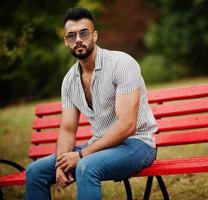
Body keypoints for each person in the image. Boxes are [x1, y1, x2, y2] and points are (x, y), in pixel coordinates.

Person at [25, 7, 157, 200]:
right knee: (35, 172)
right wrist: (60, 164)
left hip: (137, 144)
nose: (78, 39)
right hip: (100, 147)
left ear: (94, 36)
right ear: (66, 42)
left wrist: (81, 155)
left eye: (83, 33)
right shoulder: (69, 81)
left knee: (86, 167)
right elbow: (68, 129)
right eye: (71, 36)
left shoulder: (122, 64)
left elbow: (127, 125)